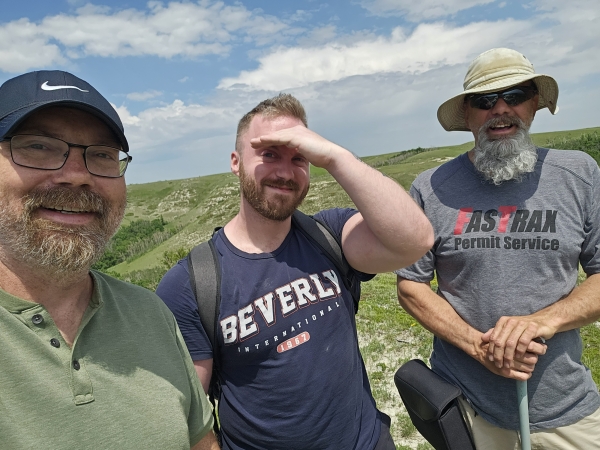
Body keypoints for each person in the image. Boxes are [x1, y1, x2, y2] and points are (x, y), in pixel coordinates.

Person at [157, 93, 434, 450]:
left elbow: (415, 240)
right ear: (236, 162)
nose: (286, 172)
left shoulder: (330, 235)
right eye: (269, 154)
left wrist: (335, 157)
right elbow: (190, 418)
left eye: (299, 157)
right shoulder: (191, 283)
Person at [0, 70, 218, 450]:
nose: (77, 175)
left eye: (101, 155)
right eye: (37, 146)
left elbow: (201, 441)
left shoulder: (149, 311)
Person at [396, 48, 600, 448]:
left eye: (516, 95)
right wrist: (480, 347)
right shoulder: (430, 187)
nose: (500, 109)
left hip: (565, 408)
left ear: (536, 103)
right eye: (485, 101)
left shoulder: (579, 174)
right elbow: (411, 287)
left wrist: (542, 322)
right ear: (468, 114)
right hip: (468, 409)